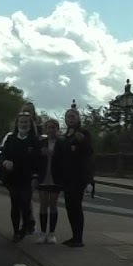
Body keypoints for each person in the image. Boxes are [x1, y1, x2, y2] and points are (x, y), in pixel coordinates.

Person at [0, 111, 40, 241]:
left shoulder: (34, 140)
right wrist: (5, 162)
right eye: (21, 122)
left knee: (25, 204)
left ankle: (25, 226)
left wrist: (35, 176)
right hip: (13, 177)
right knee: (15, 204)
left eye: (26, 122)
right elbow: (2, 156)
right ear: (17, 124)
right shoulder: (11, 139)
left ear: (30, 124)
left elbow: (38, 160)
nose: (23, 124)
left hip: (27, 178)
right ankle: (16, 231)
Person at [55, 106, 94, 247]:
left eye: (73, 117)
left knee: (76, 206)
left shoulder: (83, 133)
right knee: (70, 206)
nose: (70, 119)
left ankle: (79, 238)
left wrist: (83, 141)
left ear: (78, 118)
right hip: (67, 176)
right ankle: (74, 236)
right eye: (68, 117)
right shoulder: (66, 136)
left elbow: (89, 152)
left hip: (78, 177)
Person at [12, 101, 40, 234]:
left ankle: (28, 222)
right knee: (23, 200)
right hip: (18, 171)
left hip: (31, 169)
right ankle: (27, 222)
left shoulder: (37, 128)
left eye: (29, 111)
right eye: (24, 110)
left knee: (27, 199)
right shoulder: (18, 127)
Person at [35, 117, 62, 243]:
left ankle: (52, 233)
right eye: (48, 127)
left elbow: (65, 160)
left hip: (56, 177)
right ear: (45, 129)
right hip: (43, 176)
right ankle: (42, 233)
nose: (51, 130)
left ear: (57, 129)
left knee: (53, 204)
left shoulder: (61, 143)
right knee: (43, 205)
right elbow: (36, 160)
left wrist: (52, 154)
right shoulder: (41, 143)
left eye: (53, 127)